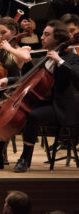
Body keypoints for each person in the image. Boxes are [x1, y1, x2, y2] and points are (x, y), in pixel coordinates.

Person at [7, 21, 79, 173]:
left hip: (60, 107)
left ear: (58, 38)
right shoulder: (44, 58)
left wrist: (59, 60)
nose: (41, 37)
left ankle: (25, 159)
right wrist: (8, 80)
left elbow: (76, 75)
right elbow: (29, 79)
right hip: (43, 102)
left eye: (47, 35)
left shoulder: (71, 58)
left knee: (33, 115)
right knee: (10, 110)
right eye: (43, 34)